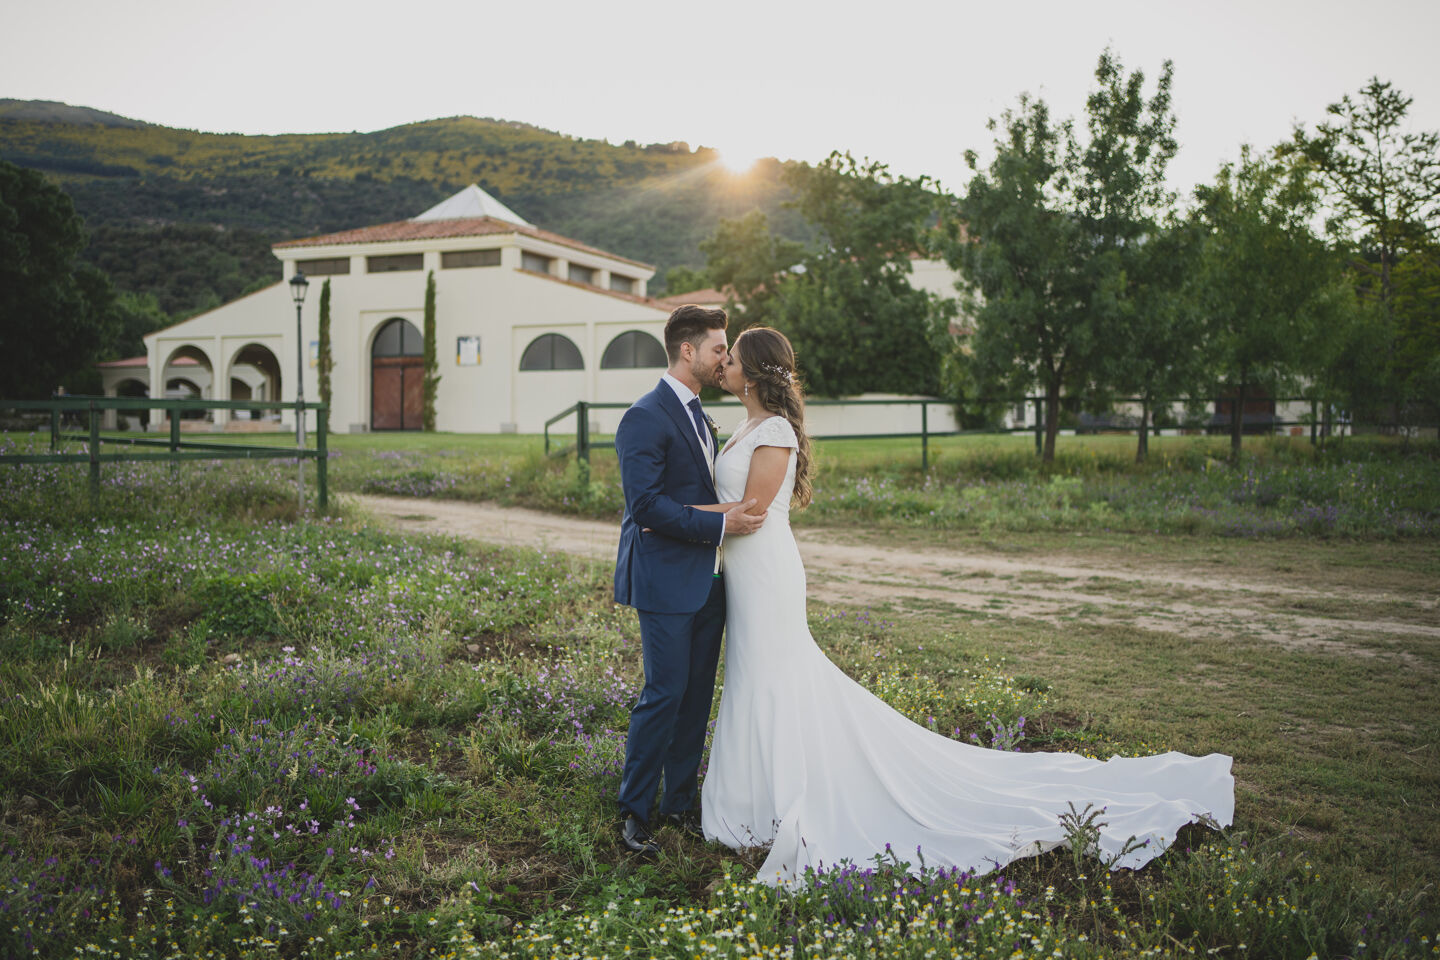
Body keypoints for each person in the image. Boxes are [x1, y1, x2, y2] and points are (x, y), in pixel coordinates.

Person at [699, 326, 1235, 887]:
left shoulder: (777, 429)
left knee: (772, 677)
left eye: (731, 358)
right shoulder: (746, 424)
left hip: (768, 573)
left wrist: (666, 509)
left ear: (755, 372)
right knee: (755, 676)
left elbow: (750, 511)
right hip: (746, 575)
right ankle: (758, 797)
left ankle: (782, 799)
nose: (723, 364)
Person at [612, 304, 767, 855]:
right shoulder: (644, 416)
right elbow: (647, 506)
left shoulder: (700, 413)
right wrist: (719, 521)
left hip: (710, 579)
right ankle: (634, 813)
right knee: (665, 693)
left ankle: (678, 803)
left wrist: (720, 522)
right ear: (688, 351)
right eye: (719, 349)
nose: (726, 358)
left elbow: (693, 489)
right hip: (663, 579)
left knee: (697, 695)